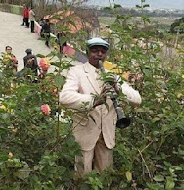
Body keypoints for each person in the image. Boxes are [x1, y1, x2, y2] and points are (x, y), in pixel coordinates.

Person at [59, 37, 142, 176]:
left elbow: (137, 99)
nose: (99, 54)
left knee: (105, 175)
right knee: (82, 175)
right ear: (87, 52)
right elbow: (65, 97)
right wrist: (94, 100)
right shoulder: (77, 72)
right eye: (95, 51)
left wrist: (117, 88)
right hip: (85, 133)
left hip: (107, 134)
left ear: (106, 54)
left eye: (103, 51)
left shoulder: (113, 76)